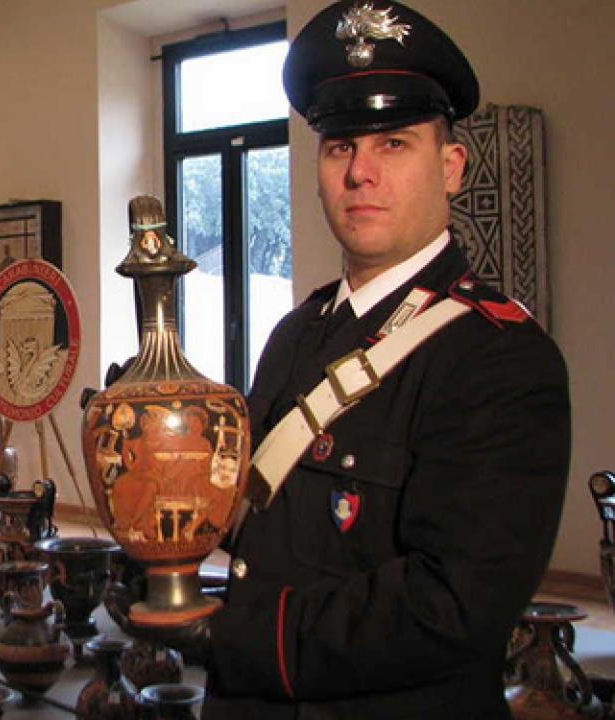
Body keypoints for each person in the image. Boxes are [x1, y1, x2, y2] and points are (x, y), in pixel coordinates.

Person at [191, 2, 571, 718]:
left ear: (451, 166)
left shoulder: (503, 359)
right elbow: (261, 528)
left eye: (393, 144)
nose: (360, 172)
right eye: (340, 147)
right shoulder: (296, 334)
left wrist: (232, 636)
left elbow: (452, 606)